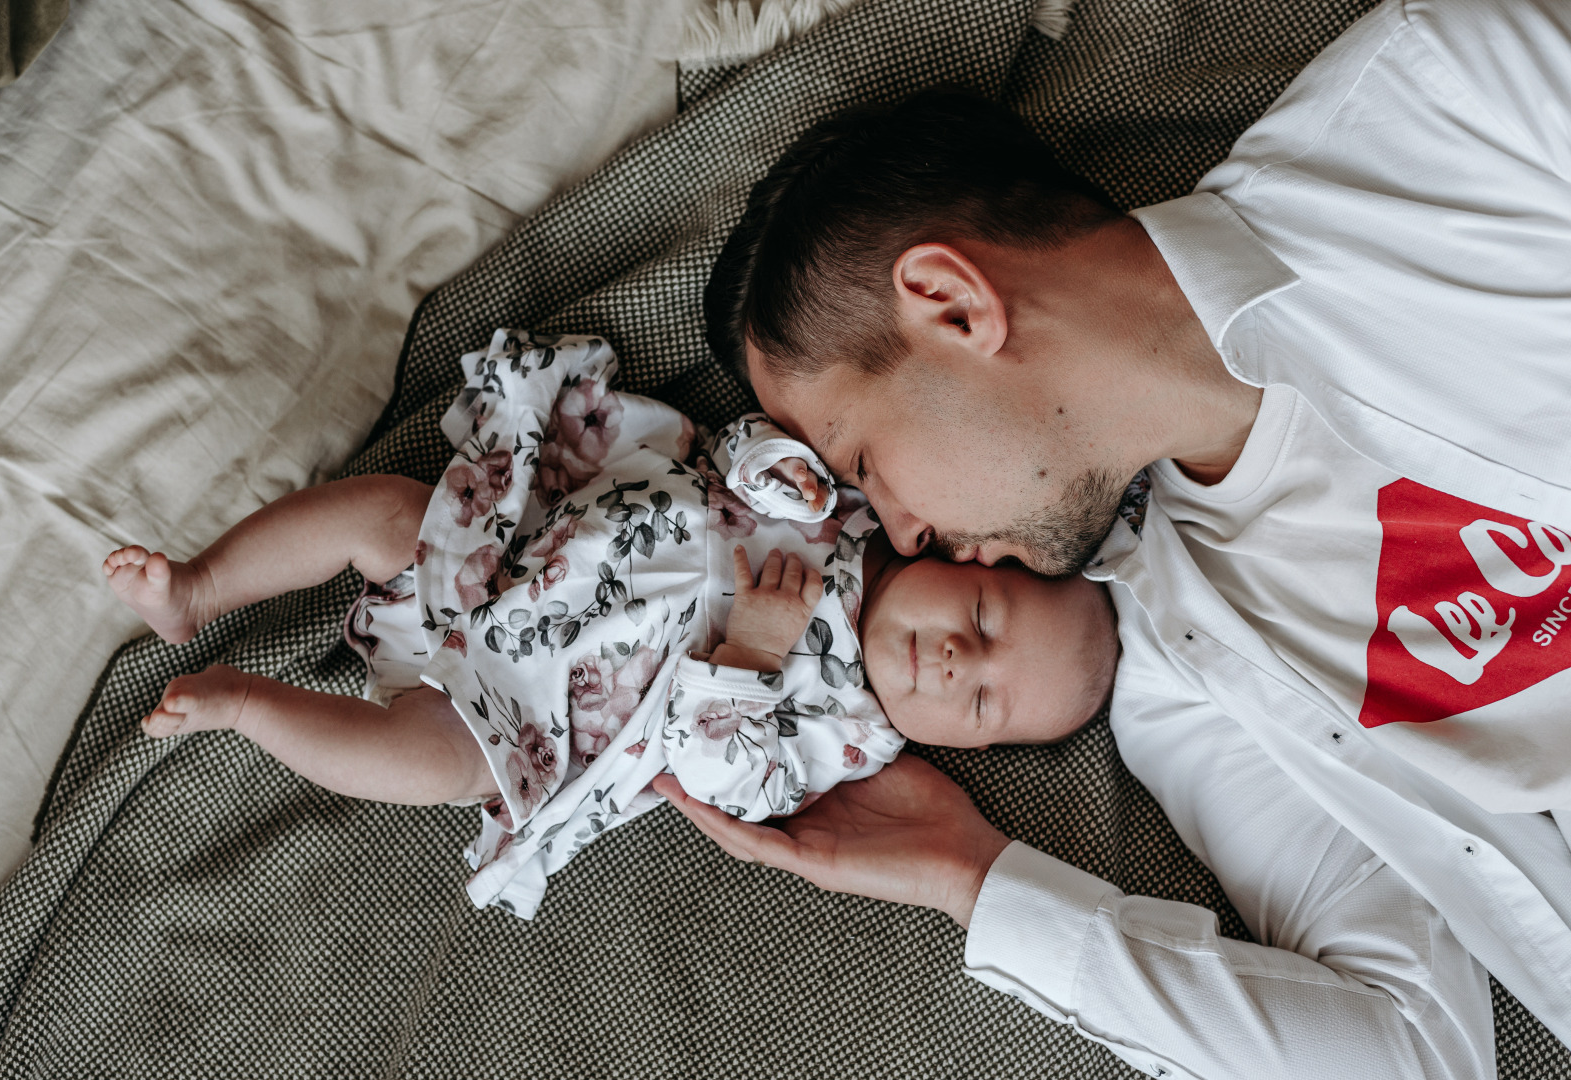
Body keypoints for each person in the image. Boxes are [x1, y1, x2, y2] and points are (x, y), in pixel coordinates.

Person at [662, 0, 1571, 1073]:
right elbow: (1416, 1056)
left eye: (863, 462)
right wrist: (976, 879)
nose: (901, 533)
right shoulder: (1184, 675)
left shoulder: (1454, 103)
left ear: (952, 305)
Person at [103, 328, 1116, 918]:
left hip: (528, 709)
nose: (951, 660)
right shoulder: (846, 512)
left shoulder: (842, 737)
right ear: (962, 561)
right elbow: (743, 447)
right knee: (381, 514)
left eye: (979, 700)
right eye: (981, 618)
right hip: (518, 551)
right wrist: (781, 472)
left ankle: (248, 708)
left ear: (963, 744)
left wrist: (755, 655)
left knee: (434, 766)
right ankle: (197, 587)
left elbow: (726, 781)